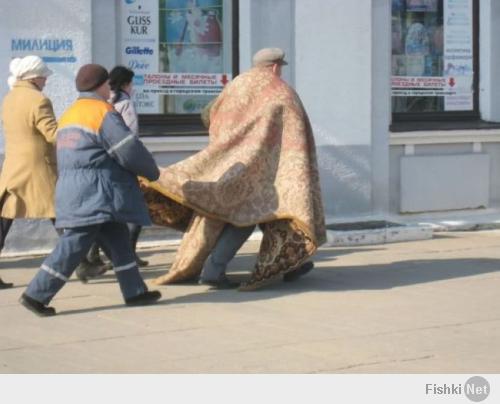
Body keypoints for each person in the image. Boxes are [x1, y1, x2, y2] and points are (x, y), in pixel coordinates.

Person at [143, 47, 326, 290]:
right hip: (263, 169)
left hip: (229, 163)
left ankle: (293, 265)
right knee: (249, 217)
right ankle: (214, 270)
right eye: (280, 66)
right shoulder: (282, 92)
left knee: (228, 216)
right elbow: (295, 129)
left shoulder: (235, 85)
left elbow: (211, 115)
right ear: (275, 66)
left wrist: (225, 146)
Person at [19, 63, 161, 316]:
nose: (110, 88)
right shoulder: (101, 112)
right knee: (74, 244)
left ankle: (135, 291)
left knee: (118, 241)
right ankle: (35, 295)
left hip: (78, 189)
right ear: (100, 86)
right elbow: (127, 149)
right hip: (95, 192)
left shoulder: (71, 113)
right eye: (107, 84)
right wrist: (152, 171)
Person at [0, 55, 59, 290]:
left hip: (14, 167)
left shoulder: (10, 98)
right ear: (35, 77)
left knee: (4, 219)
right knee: (61, 214)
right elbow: (53, 134)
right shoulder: (39, 100)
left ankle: (85, 261)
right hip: (37, 168)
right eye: (44, 76)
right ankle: (83, 262)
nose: (46, 80)